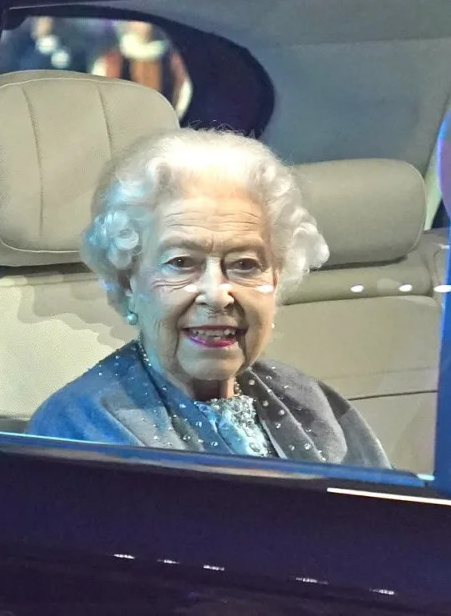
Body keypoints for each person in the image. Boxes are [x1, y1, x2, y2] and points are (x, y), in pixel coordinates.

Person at [27, 129, 389, 468]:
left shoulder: (309, 401)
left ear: (277, 280)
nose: (217, 294)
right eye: (181, 263)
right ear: (127, 284)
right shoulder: (79, 429)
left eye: (245, 264)